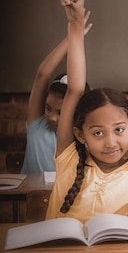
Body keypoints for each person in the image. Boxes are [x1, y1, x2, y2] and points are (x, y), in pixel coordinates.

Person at [46, 0, 128, 223]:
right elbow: (75, 88)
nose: (111, 142)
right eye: (97, 133)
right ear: (79, 134)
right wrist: (75, 26)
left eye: (118, 130)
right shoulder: (69, 160)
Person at [22, 15, 92, 174]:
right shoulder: (37, 126)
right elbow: (42, 73)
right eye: (48, 109)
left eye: (60, 112)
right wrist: (72, 37)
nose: (52, 117)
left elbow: (76, 90)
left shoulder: (84, 137)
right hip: (33, 198)